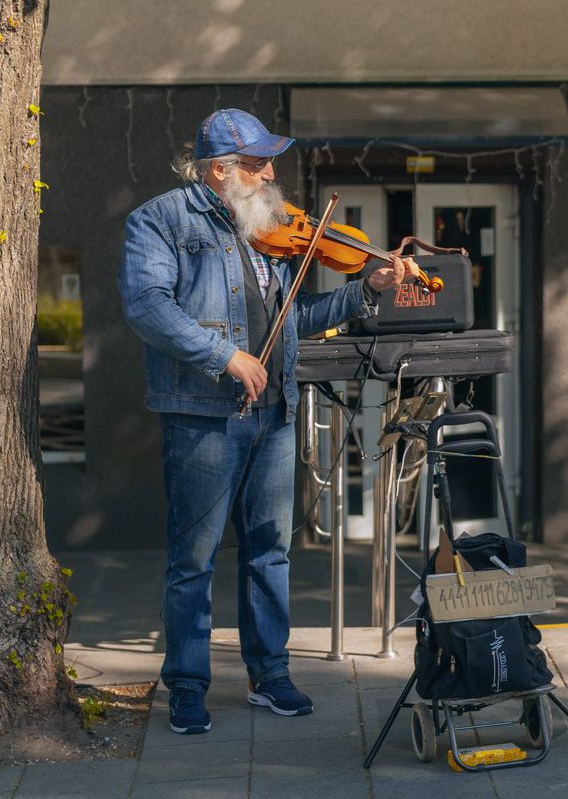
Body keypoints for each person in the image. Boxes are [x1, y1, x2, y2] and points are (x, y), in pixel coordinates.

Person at [118, 108, 413, 733]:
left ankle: (270, 674)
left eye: (268, 161)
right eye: (257, 163)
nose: (269, 173)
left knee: (270, 551)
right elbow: (147, 306)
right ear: (219, 169)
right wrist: (223, 356)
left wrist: (368, 288)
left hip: (275, 411)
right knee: (193, 558)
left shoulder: (268, 228)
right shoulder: (161, 219)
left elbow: (296, 320)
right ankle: (189, 687)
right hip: (201, 414)